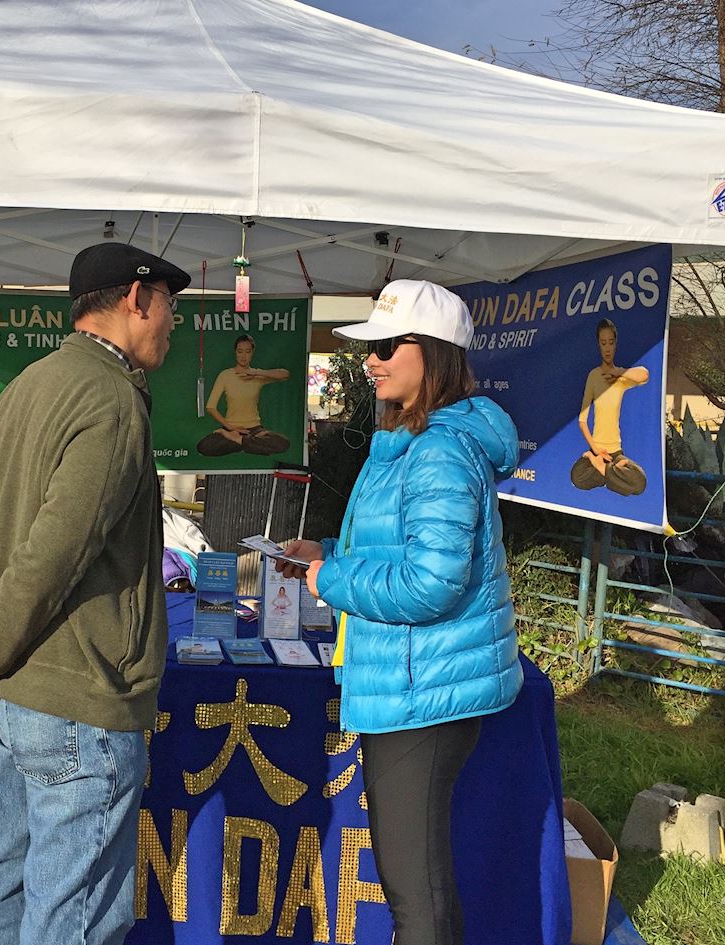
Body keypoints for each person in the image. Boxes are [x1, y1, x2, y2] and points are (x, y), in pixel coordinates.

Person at [0, 241, 190, 945]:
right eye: (170, 304)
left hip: (24, 697)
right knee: (70, 919)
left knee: (3, 888)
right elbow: (54, 554)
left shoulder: (28, 385)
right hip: (80, 702)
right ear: (136, 298)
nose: (173, 322)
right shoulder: (112, 400)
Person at [277, 279, 523, 945]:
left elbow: (431, 583)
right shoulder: (410, 440)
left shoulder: (440, 450)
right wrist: (326, 553)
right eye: (370, 347)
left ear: (434, 352)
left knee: (416, 888)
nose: (372, 359)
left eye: (387, 345)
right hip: (411, 682)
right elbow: (399, 551)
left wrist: (332, 579)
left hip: (424, 690)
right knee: (415, 879)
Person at [570, 317, 649, 496]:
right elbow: (582, 421)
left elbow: (645, 375)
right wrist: (595, 451)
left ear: (615, 345)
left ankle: (604, 471)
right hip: (597, 451)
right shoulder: (593, 376)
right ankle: (612, 473)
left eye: (611, 343)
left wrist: (618, 372)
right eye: (603, 343)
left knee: (640, 482)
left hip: (616, 453)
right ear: (599, 344)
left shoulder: (621, 378)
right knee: (576, 477)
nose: (607, 348)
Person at [195, 334, 291, 456]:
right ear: (235, 352)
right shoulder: (225, 375)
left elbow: (285, 375)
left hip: (254, 430)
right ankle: (249, 443)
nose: (243, 356)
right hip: (231, 429)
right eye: (240, 351)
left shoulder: (257, 375)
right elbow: (211, 407)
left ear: (252, 353)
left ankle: (239, 441)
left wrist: (255, 373)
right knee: (204, 446)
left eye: (247, 351)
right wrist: (229, 428)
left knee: (282, 443)